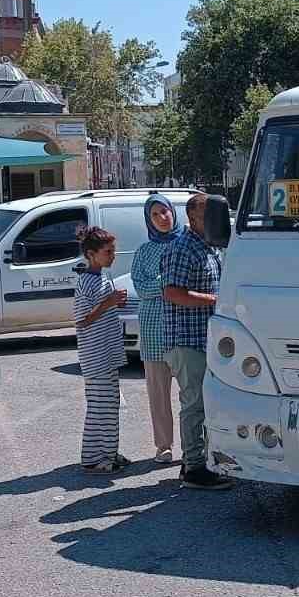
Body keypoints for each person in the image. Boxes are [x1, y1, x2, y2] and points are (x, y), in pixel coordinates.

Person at [162, 193, 233, 490]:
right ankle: (194, 468)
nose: (215, 220)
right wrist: (216, 300)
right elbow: (172, 292)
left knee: (207, 404)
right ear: (192, 218)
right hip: (186, 340)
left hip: (206, 340)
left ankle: (201, 461)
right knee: (194, 405)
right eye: (208, 214)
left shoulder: (210, 248)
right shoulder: (183, 248)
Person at [72, 225, 131, 474]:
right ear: (91, 254)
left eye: (113, 250)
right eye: (108, 251)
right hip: (96, 355)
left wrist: (113, 302)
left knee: (110, 405)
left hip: (107, 353)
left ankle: (108, 452)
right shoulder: (86, 281)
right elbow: (82, 320)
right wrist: (109, 302)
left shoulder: (101, 277)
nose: (112, 255)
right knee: (99, 406)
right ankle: (93, 458)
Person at [131, 195, 182, 466]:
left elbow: (188, 284)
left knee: (193, 395)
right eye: (155, 215)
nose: (163, 218)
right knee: (158, 396)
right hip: (153, 333)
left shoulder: (186, 246)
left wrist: (161, 286)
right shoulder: (143, 252)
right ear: (148, 221)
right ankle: (163, 445)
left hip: (186, 331)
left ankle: (198, 444)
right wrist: (168, 285)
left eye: (165, 212)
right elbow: (141, 289)